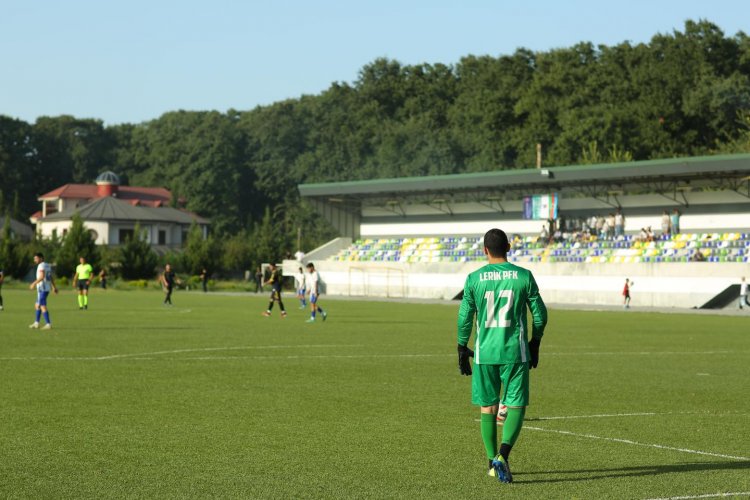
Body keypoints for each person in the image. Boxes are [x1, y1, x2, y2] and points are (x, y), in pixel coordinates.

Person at [456, 228, 547, 483]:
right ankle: (503, 456)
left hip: (485, 354)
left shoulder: (474, 279)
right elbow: (540, 314)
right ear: (508, 247)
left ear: (485, 250)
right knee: (516, 404)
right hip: (514, 353)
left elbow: (465, 316)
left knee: (488, 407)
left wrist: (462, 347)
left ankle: (490, 462)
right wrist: (535, 342)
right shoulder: (523, 276)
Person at [29, 252, 58, 329]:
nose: (34, 260)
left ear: (41, 258)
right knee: (37, 305)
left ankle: (48, 324)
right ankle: (36, 323)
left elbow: (42, 277)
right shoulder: (47, 265)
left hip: (43, 288)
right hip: (44, 288)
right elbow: (50, 276)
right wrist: (54, 287)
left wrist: (33, 284)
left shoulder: (41, 266)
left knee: (42, 306)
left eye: (36, 258)